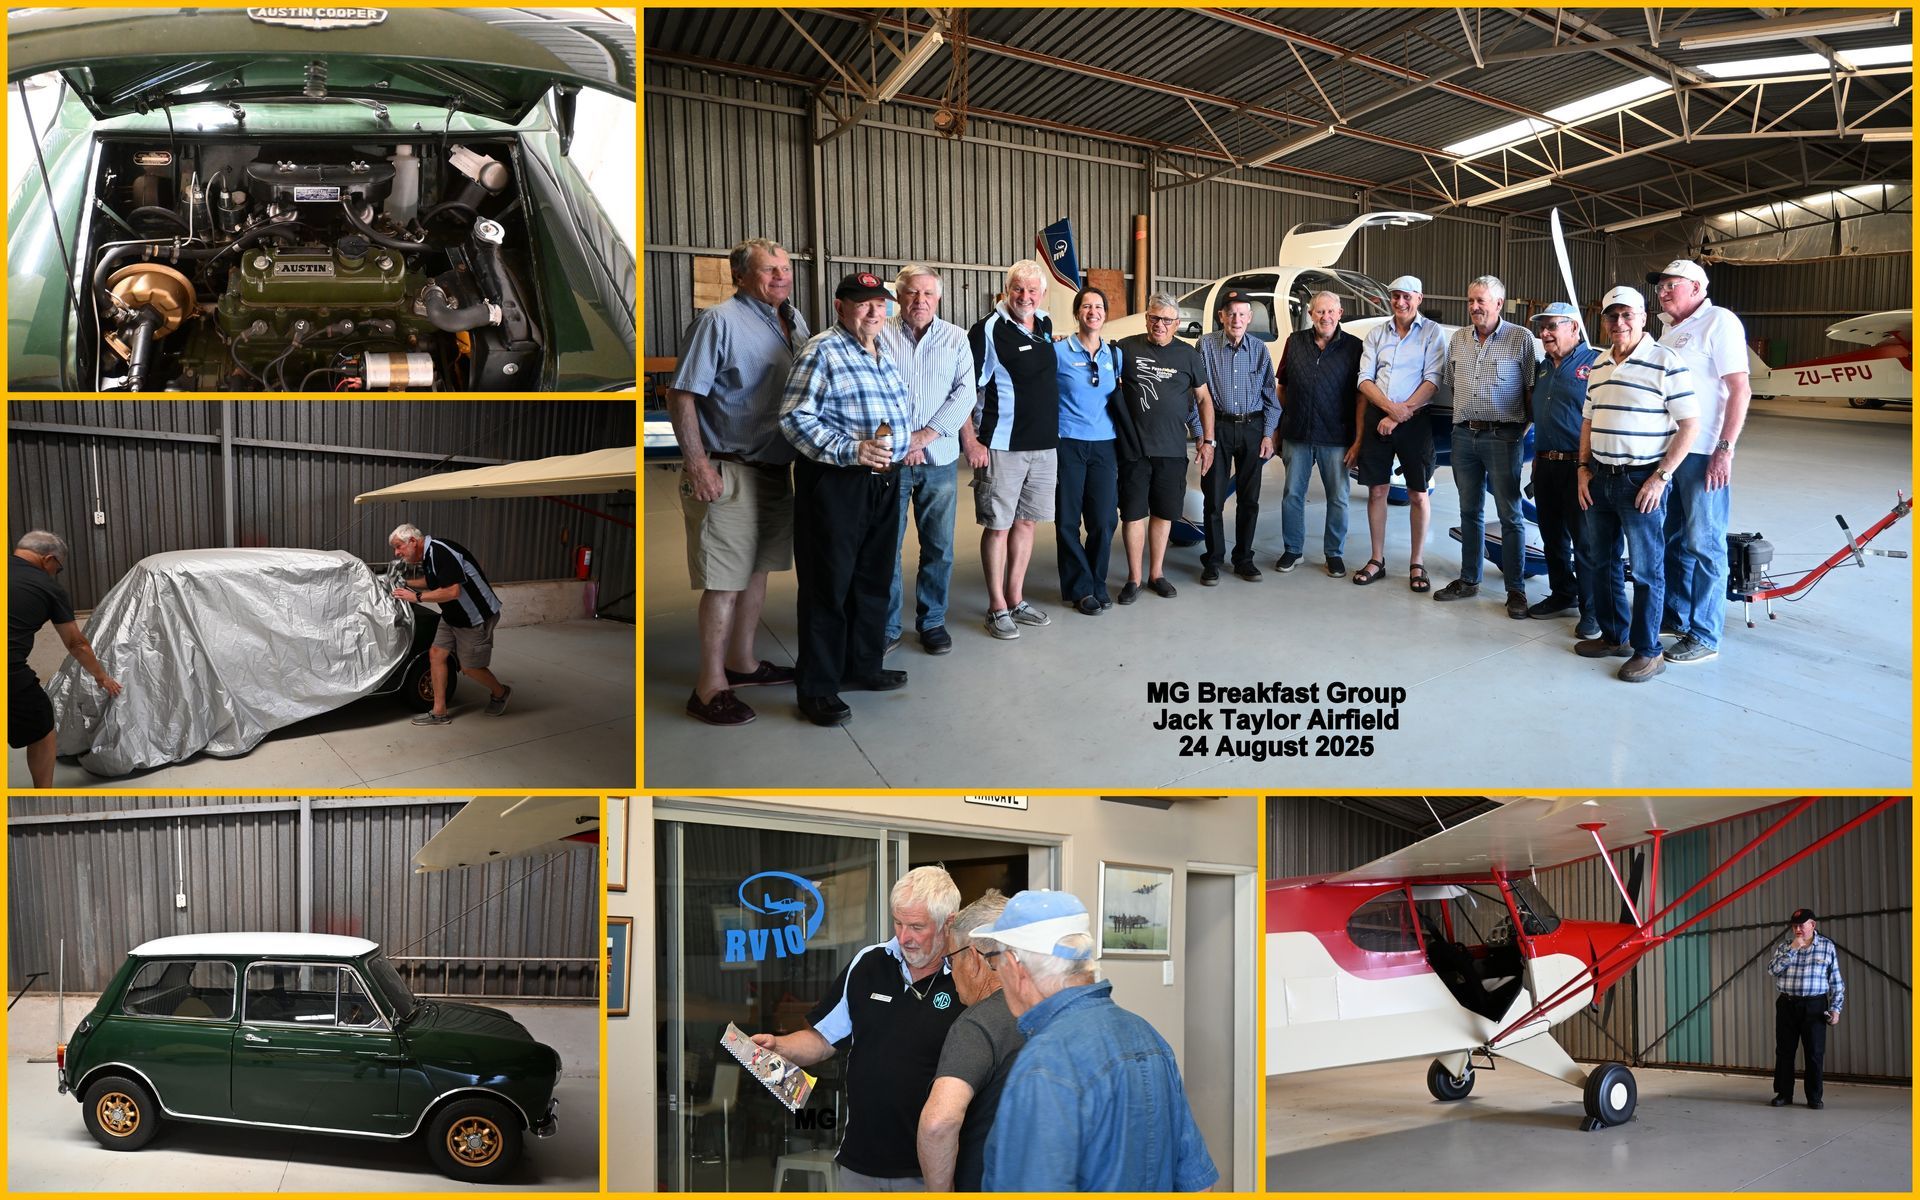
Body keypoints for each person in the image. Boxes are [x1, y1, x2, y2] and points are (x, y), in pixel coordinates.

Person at [973, 890, 1217, 1192]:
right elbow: (1198, 1185)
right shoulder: (1148, 1036)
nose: (997, 974)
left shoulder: (1045, 1063)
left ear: (1015, 964)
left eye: (995, 961)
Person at [666, 237, 811, 726]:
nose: (781, 276)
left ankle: (743, 662)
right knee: (724, 581)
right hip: (728, 469)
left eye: (785, 268)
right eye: (770, 270)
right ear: (741, 276)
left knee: (756, 572)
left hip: (774, 469)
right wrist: (698, 465)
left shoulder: (793, 322)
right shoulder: (718, 322)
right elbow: (682, 395)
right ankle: (709, 687)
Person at [749, 866, 965, 1191]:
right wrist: (780, 1047)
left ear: (948, 923)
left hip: (929, 1169)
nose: (904, 937)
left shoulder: (968, 976)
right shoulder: (868, 963)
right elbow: (822, 1039)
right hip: (859, 1162)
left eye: (917, 927)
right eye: (898, 923)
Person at [778, 271, 912, 728]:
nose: (874, 312)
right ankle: (816, 686)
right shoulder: (821, 350)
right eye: (863, 303)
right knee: (827, 586)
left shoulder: (884, 352)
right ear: (840, 306)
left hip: (883, 479)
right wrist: (851, 449)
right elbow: (795, 419)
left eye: (880, 304)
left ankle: (862, 664)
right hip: (836, 481)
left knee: (873, 578)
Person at [1575, 286, 1699, 683]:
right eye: (1612, 316)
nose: (1619, 323)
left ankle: (1649, 651)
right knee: (1602, 563)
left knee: (1647, 569)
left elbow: (1690, 424)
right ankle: (1615, 637)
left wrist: (1661, 478)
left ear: (1643, 318)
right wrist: (1582, 468)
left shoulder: (1665, 361)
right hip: (1600, 478)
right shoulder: (1598, 364)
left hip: (1640, 480)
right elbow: (1588, 420)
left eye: (1627, 315)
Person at [1649, 259, 1751, 666]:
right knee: (1673, 538)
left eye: (1670, 284)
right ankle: (1676, 616)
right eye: (1660, 285)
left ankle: (1706, 634)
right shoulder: (1669, 332)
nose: (1662, 291)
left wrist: (1724, 449)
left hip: (1704, 451)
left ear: (1695, 286)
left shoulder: (1718, 321)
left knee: (1705, 543)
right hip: (1670, 452)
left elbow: (1740, 389)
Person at [880, 265, 976, 657]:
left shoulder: (955, 338)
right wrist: (903, 442)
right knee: (885, 546)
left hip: (938, 459)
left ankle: (932, 621)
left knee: (939, 546)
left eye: (928, 294)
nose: (920, 301)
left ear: (939, 298)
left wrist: (924, 436)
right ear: (898, 296)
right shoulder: (878, 335)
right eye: (912, 293)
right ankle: (886, 626)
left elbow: (964, 393)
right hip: (890, 460)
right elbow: (873, 392)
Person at [965, 261, 1062, 641]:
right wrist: (970, 440)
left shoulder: (1047, 323)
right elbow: (965, 388)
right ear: (1006, 290)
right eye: (1018, 289)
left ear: (1042, 294)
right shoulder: (988, 329)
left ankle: (1016, 599)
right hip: (1003, 447)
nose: (1025, 297)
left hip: (1043, 446)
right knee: (999, 527)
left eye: (1032, 291)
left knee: (1026, 523)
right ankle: (996, 607)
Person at [1435, 275, 1539, 618]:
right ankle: (1469, 580)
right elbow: (1451, 384)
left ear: (1498, 303)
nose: (1475, 307)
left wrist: (1519, 430)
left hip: (1503, 436)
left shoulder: (1520, 338)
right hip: (1464, 435)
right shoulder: (1459, 339)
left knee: (1510, 514)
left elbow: (1529, 390)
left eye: (1481, 301)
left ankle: (1515, 590)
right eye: (1471, 301)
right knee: (1469, 511)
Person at [917, 889, 1026, 1191]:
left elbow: (938, 1123)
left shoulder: (976, 1025)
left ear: (975, 959)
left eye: (951, 960)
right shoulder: (1047, 1010)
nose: (950, 974)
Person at [1113, 293, 1216, 602]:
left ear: (1177, 324)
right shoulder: (1125, 348)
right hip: (1133, 450)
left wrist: (1207, 439)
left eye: (1167, 320)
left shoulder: (1188, 356)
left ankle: (1156, 574)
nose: (1159, 325)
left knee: (1164, 513)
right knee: (1133, 515)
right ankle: (1133, 578)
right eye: (1154, 318)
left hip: (1171, 450)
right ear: (1147, 319)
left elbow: (1204, 399)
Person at [1350, 275, 1445, 592]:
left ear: (1419, 298)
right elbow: (1364, 379)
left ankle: (1417, 563)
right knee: (1377, 491)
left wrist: (1402, 412)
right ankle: (1377, 559)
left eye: (1407, 296)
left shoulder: (1432, 333)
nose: (1400, 302)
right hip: (1381, 414)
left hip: (1415, 418)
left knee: (1418, 494)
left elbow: (1433, 380)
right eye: (1395, 297)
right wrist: (1391, 409)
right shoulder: (1377, 334)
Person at [9, 531, 122, 787]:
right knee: (42, 728)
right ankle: (44, 794)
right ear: (49, 559)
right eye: (58, 569)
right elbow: (76, 643)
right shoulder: (47, 587)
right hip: (9, 671)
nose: (55, 574)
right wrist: (102, 677)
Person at [1526, 302, 1604, 638]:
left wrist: (1589, 466)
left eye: (1551, 326)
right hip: (1546, 464)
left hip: (1579, 467)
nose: (1544, 333)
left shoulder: (1597, 364)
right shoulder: (1543, 367)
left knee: (1585, 543)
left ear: (1574, 327)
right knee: (1552, 536)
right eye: (1541, 327)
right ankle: (1562, 593)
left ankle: (1592, 610)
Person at [1274, 290, 1361, 578]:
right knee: (1292, 495)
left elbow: (1361, 396)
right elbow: (1282, 386)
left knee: (1338, 498)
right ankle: (1293, 550)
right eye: (1319, 311)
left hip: (1336, 437)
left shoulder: (1354, 348)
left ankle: (1334, 554)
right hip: (1297, 434)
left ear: (1340, 313)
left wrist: (1358, 440)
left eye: (1330, 311)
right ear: (1310, 314)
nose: (1325, 317)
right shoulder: (1295, 343)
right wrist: (1283, 423)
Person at [1196, 290, 1280, 584]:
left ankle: (1244, 558)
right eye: (1231, 313)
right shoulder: (1205, 346)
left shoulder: (1259, 349)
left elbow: (1271, 396)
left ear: (1250, 318)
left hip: (1252, 428)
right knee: (1214, 498)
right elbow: (1196, 395)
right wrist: (1201, 435)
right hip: (1216, 427)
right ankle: (1214, 559)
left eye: (1243, 314)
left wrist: (1268, 434)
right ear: (1221, 316)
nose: (1237, 319)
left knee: (1250, 499)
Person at [389, 524, 513, 723]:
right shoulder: (428, 555)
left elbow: (452, 591)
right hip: (452, 614)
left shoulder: (441, 552)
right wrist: (403, 583)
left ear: (412, 541)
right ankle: (439, 712)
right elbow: (434, 582)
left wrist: (416, 597)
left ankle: (501, 692)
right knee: (436, 654)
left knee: (470, 667)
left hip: (474, 616)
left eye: (398, 547)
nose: (397, 553)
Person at [1052, 286, 1123, 616]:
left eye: (1099, 307)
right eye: (1087, 306)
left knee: (1105, 519)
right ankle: (1080, 588)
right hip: (1068, 442)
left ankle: (1097, 581)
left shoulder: (1115, 356)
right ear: (1077, 312)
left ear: (1105, 314)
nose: (1093, 312)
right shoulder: (1059, 352)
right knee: (1068, 520)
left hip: (1104, 445)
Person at [1768, 907, 1845, 1109]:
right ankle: (1784, 1094)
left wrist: (1836, 1009)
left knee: (1814, 1052)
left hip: (1815, 1006)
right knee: (1784, 1051)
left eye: (1801, 925)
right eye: (1794, 926)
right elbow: (1773, 969)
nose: (1797, 929)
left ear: (1812, 925)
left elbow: (1836, 981)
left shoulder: (1827, 947)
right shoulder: (1785, 946)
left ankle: (1814, 1097)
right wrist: (1793, 948)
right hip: (1788, 1004)